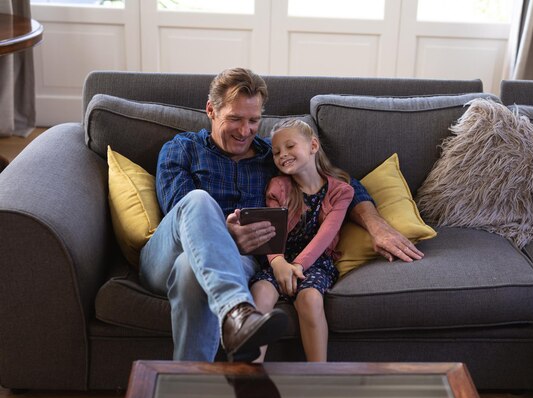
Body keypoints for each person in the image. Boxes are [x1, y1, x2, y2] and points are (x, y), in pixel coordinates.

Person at [139, 67, 424, 364]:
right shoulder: (182, 149)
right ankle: (237, 311)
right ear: (211, 110)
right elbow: (180, 212)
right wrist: (225, 233)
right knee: (197, 201)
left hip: (235, 262)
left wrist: (376, 226)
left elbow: (339, 184)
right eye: (235, 118)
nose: (245, 131)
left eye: (254, 120)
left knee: (190, 271)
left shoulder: (270, 156)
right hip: (167, 256)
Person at [250, 119, 354, 362]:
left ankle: (320, 389)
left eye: (290, 146)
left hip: (315, 262)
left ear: (313, 145)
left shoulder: (341, 191)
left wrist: (298, 266)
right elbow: (270, 232)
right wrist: (279, 263)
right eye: (276, 152)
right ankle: (247, 385)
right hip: (278, 261)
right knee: (260, 295)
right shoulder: (278, 188)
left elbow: (325, 235)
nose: (282, 155)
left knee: (310, 298)